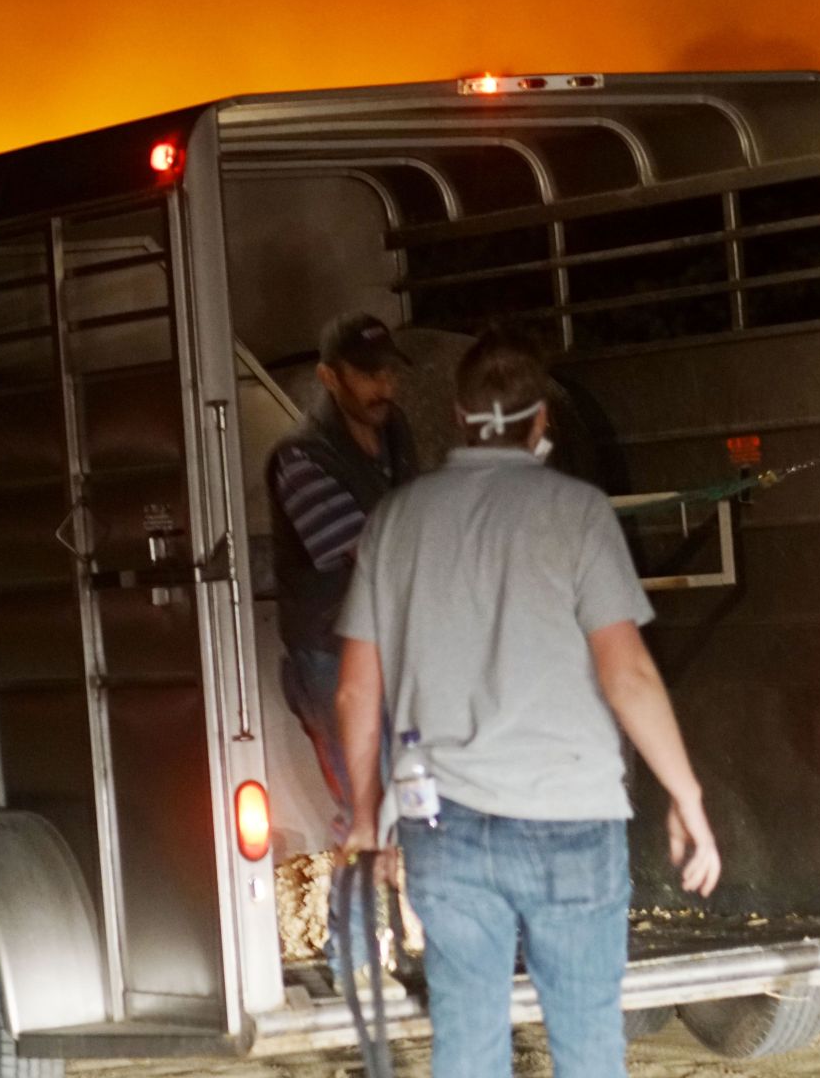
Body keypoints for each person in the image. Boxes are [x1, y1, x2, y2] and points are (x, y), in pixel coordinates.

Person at [335, 327, 721, 1078]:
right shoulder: (578, 513)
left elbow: (354, 687)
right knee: (586, 1048)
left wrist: (363, 814)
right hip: (570, 823)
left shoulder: (396, 521)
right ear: (542, 419)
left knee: (469, 1048)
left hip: (441, 825)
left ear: (457, 414)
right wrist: (687, 796)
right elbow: (628, 677)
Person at [268, 311, 421, 843]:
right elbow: (367, 551)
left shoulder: (395, 434)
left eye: (388, 372)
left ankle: (394, 922)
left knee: (401, 803)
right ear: (329, 377)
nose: (384, 385)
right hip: (330, 651)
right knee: (364, 809)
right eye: (367, 373)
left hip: (383, 643)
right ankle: (357, 926)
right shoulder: (300, 457)